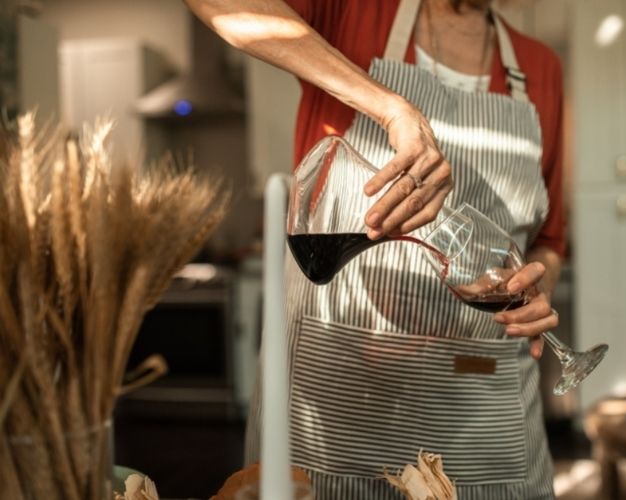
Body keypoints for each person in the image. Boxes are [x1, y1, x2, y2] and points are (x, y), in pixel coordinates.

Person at [185, 0, 565, 498]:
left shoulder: (541, 68)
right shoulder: (351, 11)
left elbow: (549, 242)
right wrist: (387, 105)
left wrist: (538, 286)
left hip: (479, 403)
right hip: (339, 395)